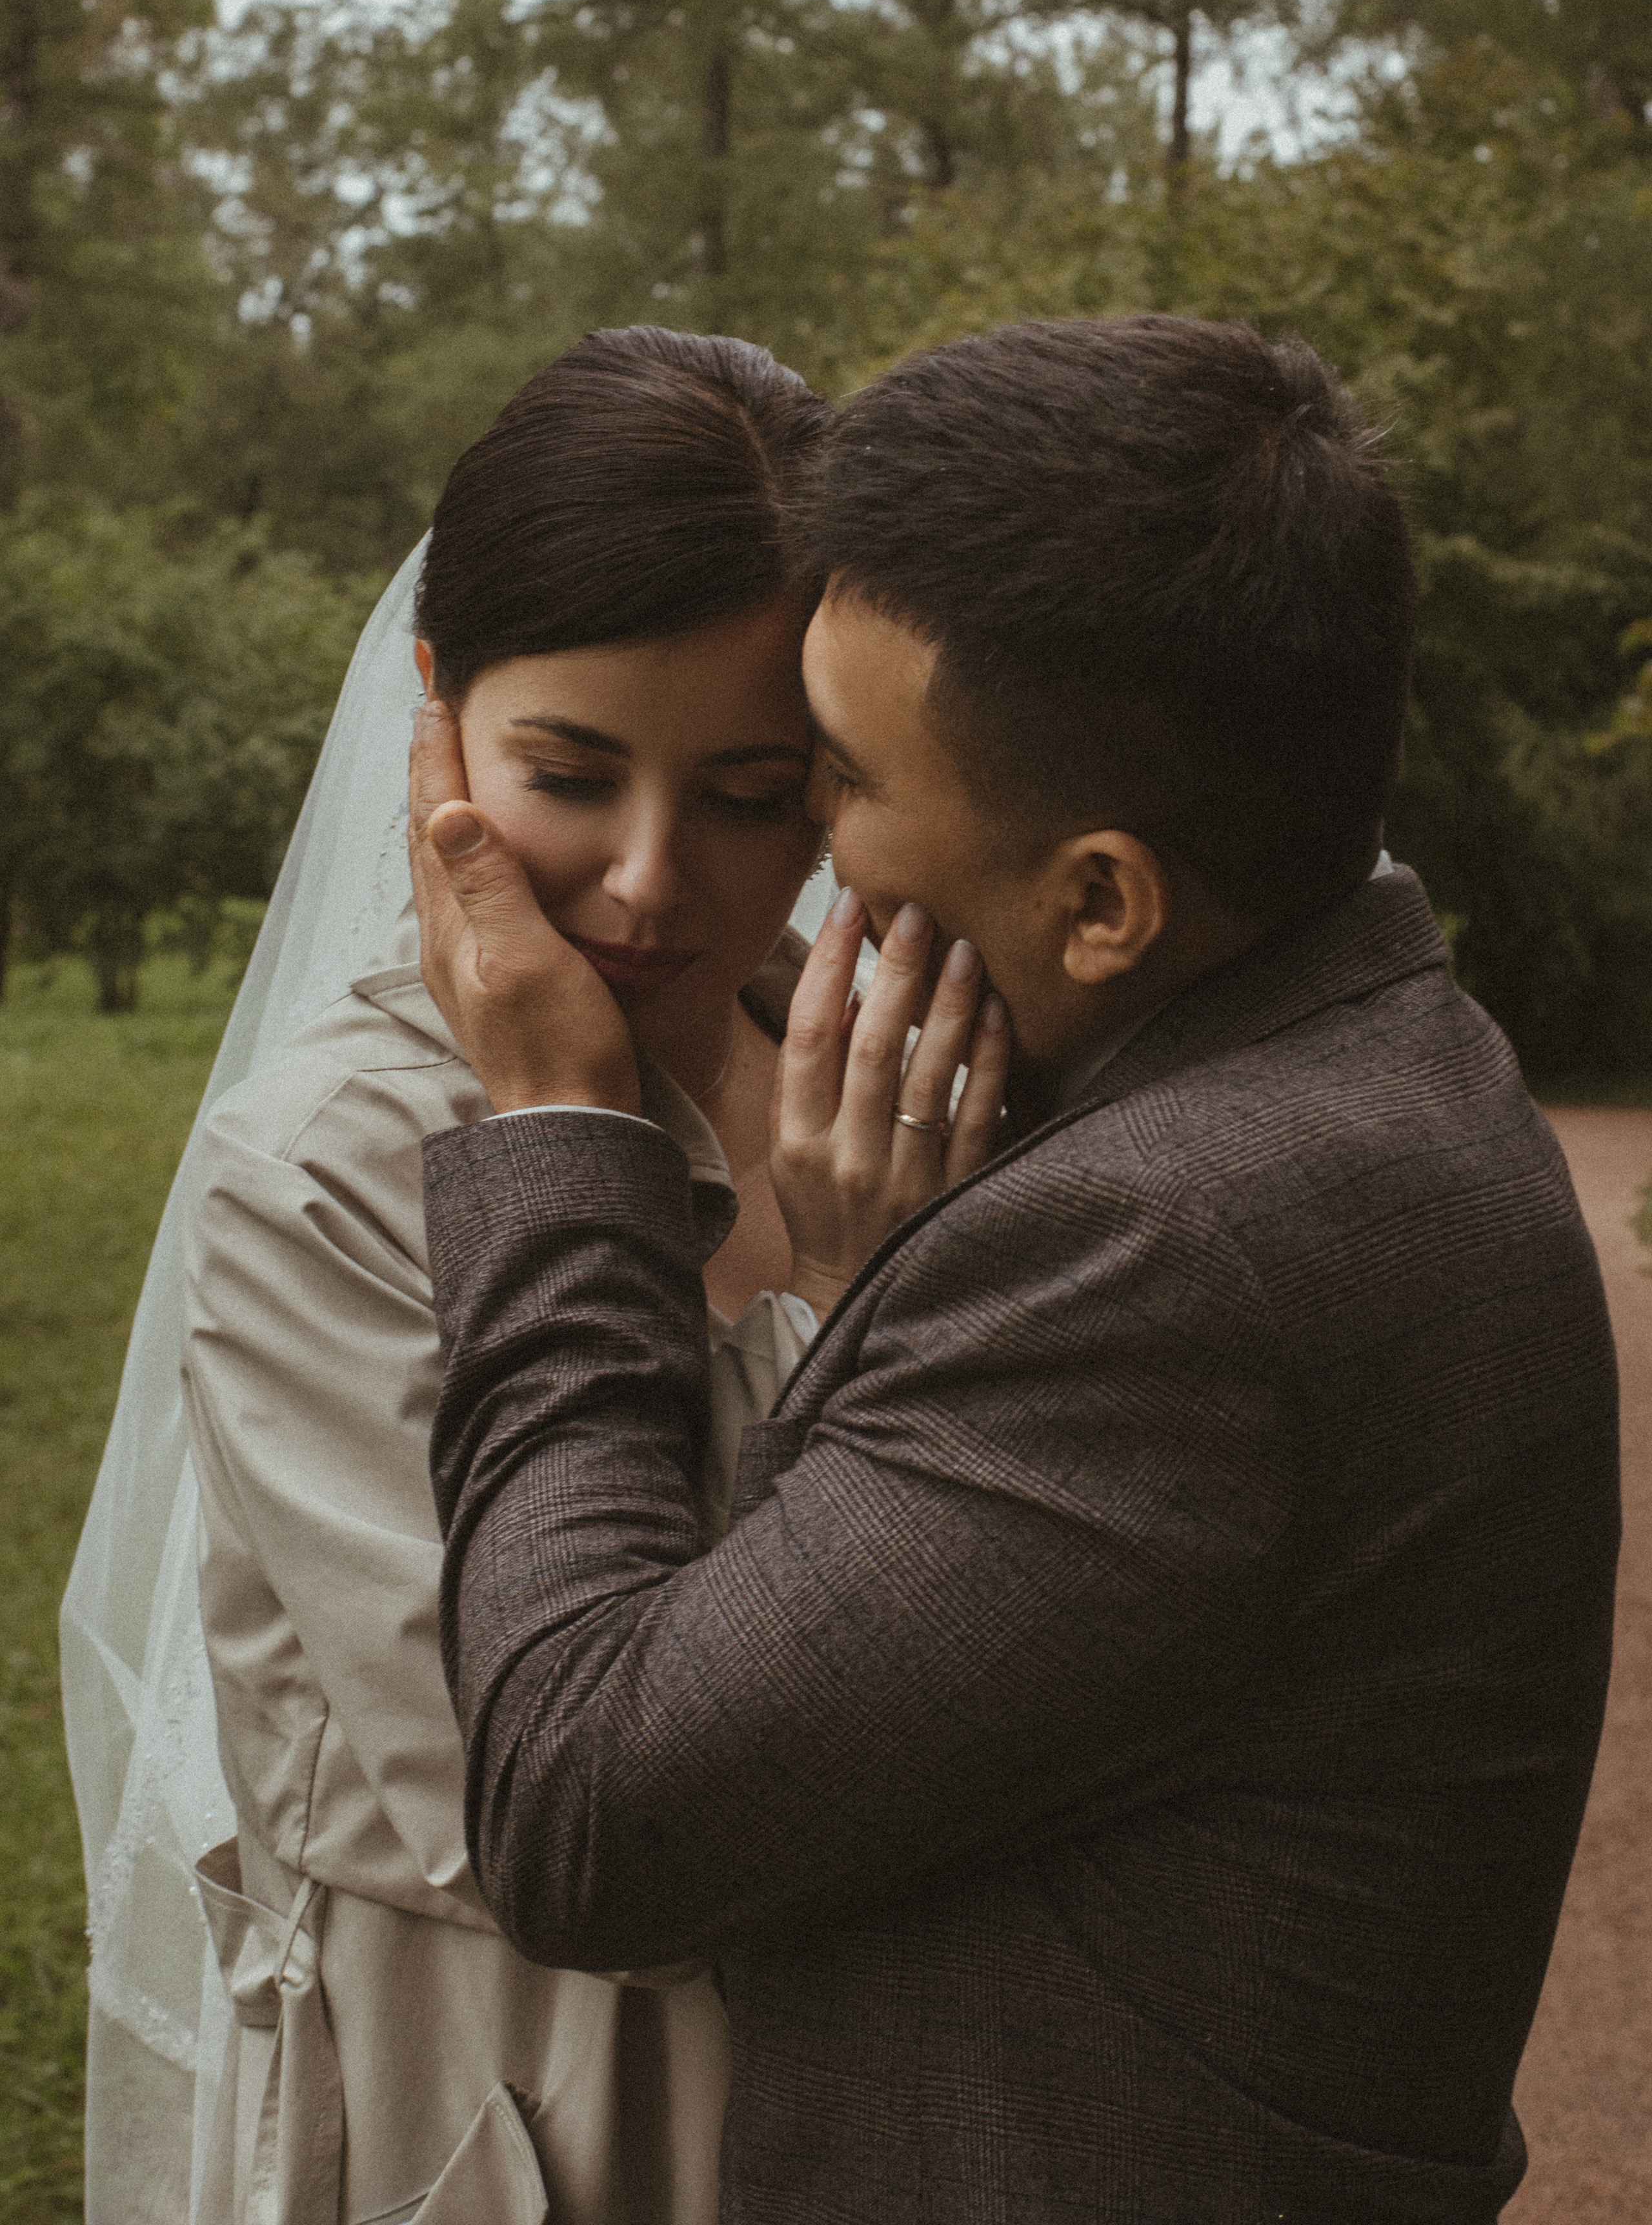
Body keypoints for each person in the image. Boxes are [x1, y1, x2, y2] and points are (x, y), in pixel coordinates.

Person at [411, 313, 1622, 2223]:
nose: (802, 852)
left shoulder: (1178, 1249)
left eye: (834, 784)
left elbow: (588, 1807)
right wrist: (902, 1282)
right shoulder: (1377, 1061)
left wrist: (563, 1138)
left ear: (1102, 902)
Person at [63, 325, 869, 2225]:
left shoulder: (866, 1088)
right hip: (507, 2108)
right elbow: (569, 1819)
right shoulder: (327, 1176)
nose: (651, 884)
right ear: (433, 714)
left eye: (753, 796)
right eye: (569, 774)